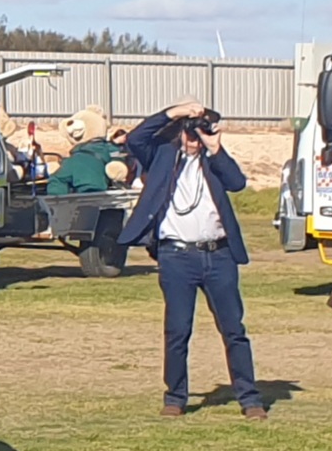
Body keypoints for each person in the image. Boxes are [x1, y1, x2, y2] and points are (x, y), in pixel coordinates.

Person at [118, 99, 264, 419]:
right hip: (176, 256)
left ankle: (249, 399)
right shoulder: (163, 157)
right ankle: (175, 397)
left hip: (219, 255)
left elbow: (237, 183)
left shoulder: (213, 160)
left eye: (199, 133)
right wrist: (176, 113)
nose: (194, 139)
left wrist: (216, 148)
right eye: (190, 133)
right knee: (178, 330)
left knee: (233, 329)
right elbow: (135, 139)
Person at [46, 109, 132, 196]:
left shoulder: (75, 159)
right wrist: (117, 165)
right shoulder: (109, 148)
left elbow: (58, 179)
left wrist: (58, 199)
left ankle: (59, 206)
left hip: (81, 192)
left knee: (58, 179)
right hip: (104, 191)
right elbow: (118, 158)